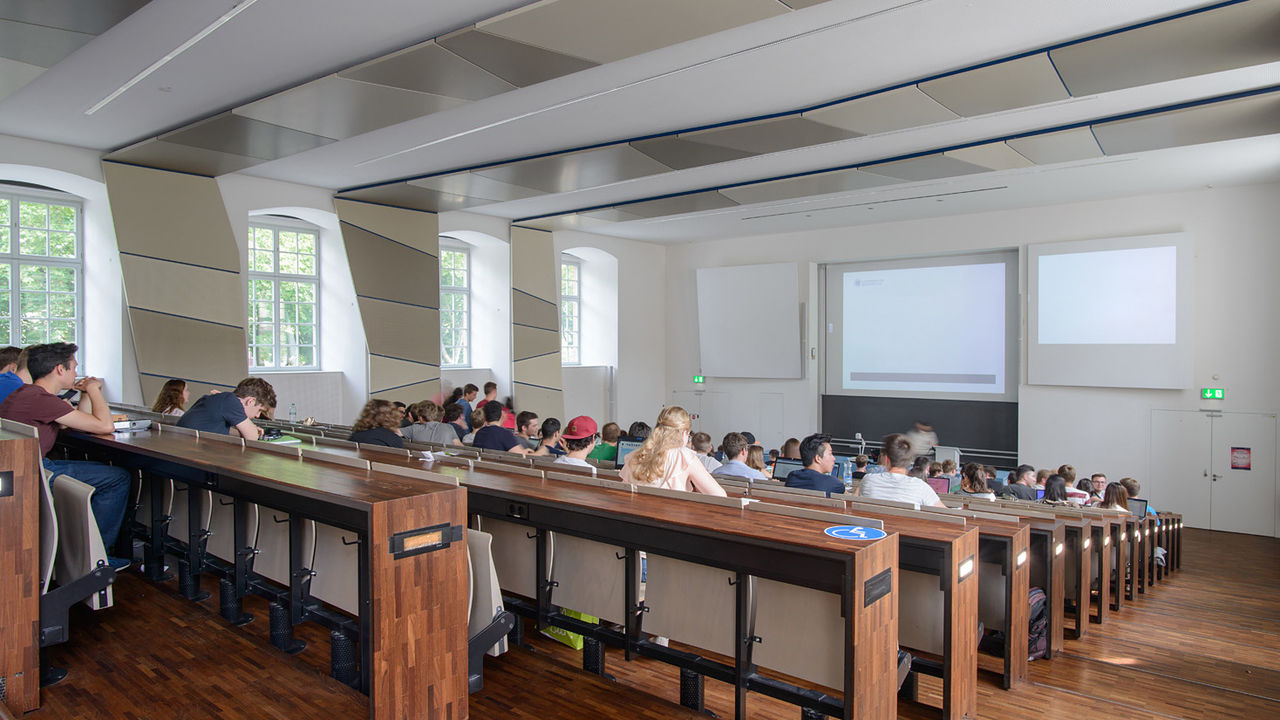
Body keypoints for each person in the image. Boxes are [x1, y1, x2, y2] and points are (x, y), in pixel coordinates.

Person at [0, 342, 130, 568]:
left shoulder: (26, 395)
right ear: (60, 369)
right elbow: (105, 426)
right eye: (74, 367)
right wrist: (93, 389)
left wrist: (85, 393)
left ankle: (88, 552)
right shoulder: (43, 400)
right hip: (35, 474)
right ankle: (98, 558)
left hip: (21, 471)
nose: (76, 372)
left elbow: (80, 421)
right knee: (118, 478)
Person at [619, 406, 725, 496]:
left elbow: (625, 491)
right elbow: (719, 495)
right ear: (684, 433)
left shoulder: (636, 455)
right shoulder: (685, 457)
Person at [856, 433, 945, 507]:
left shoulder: (868, 480)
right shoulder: (921, 487)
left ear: (886, 459)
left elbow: (853, 501)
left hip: (874, 528)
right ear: (909, 460)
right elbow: (946, 513)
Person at [178, 377, 276, 440]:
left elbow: (222, 430)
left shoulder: (214, 399)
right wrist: (252, 429)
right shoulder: (231, 400)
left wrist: (247, 429)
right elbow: (252, 438)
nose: (257, 416)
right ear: (250, 401)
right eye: (259, 410)